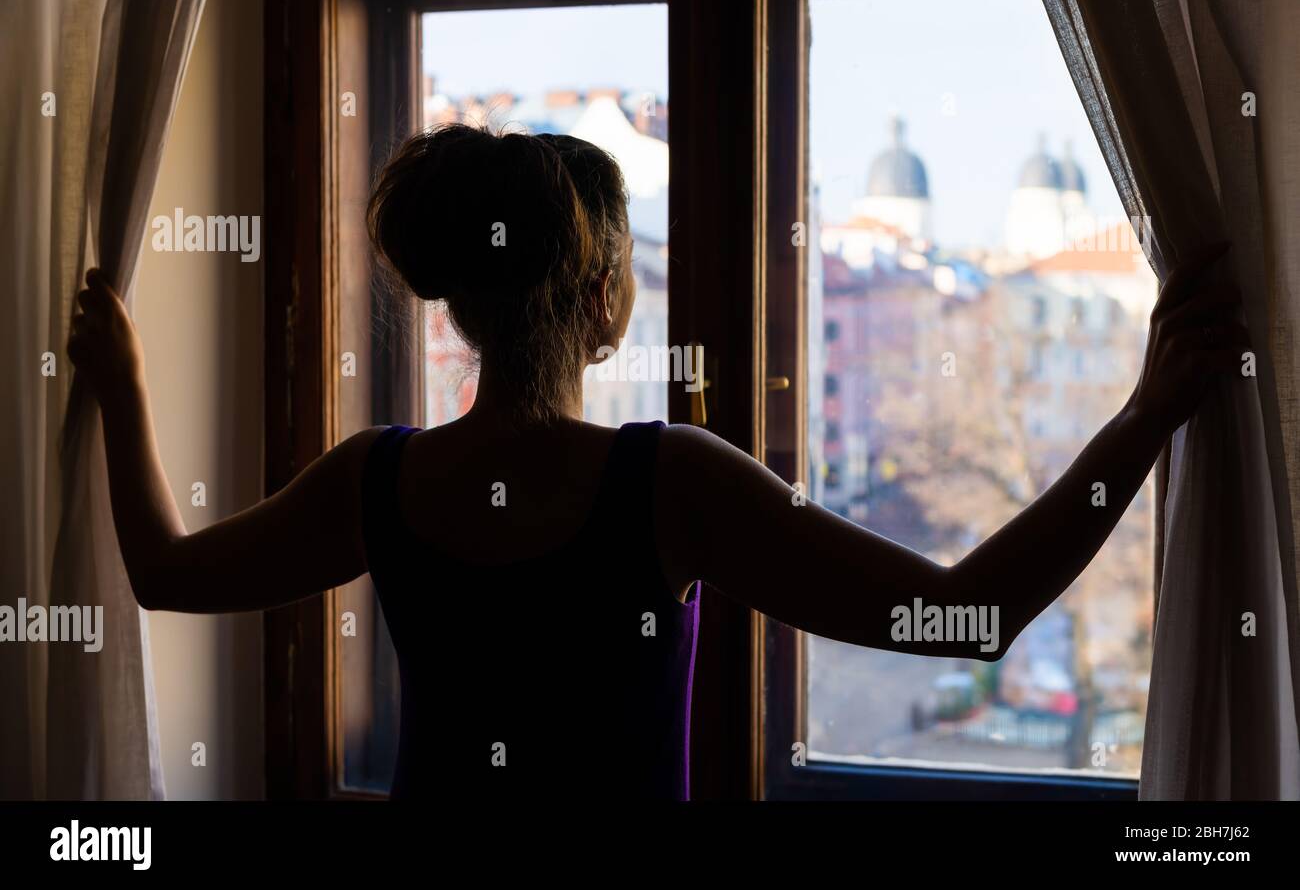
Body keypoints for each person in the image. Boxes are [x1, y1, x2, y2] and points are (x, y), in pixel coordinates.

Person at [67, 124, 1246, 800]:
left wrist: (122, 386)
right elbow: (965, 613)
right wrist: (1145, 413)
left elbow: (168, 571)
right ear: (604, 299)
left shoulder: (377, 479)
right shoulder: (666, 479)